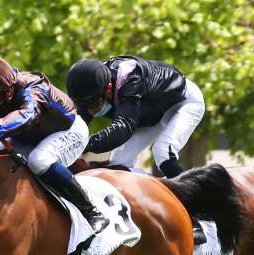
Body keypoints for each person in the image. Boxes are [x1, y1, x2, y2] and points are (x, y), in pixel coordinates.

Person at [0, 53, 109, 234]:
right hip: (26, 136)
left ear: (9, 92)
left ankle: (92, 212)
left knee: (39, 161)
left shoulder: (34, 87)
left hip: (67, 130)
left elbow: (27, 114)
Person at [65, 56, 205, 178]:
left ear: (108, 87)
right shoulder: (91, 88)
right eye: (85, 106)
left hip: (183, 102)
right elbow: (73, 127)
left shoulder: (129, 77)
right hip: (152, 113)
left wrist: (85, 143)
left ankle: (192, 200)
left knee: (163, 153)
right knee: (119, 164)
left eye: (95, 104)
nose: (91, 112)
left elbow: (123, 129)